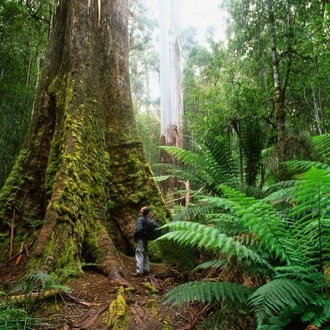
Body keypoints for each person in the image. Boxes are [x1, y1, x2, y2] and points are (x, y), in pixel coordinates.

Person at [132, 206, 151, 276]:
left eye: (142, 208)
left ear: (143, 211)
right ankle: (146, 269)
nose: (140, 209)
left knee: (139, 252)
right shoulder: (147, 219)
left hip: (140, 238)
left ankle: (139, 271)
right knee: (145, 253)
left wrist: (135, 235)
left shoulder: (140, 219)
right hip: (145, 238)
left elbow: (138, 229)